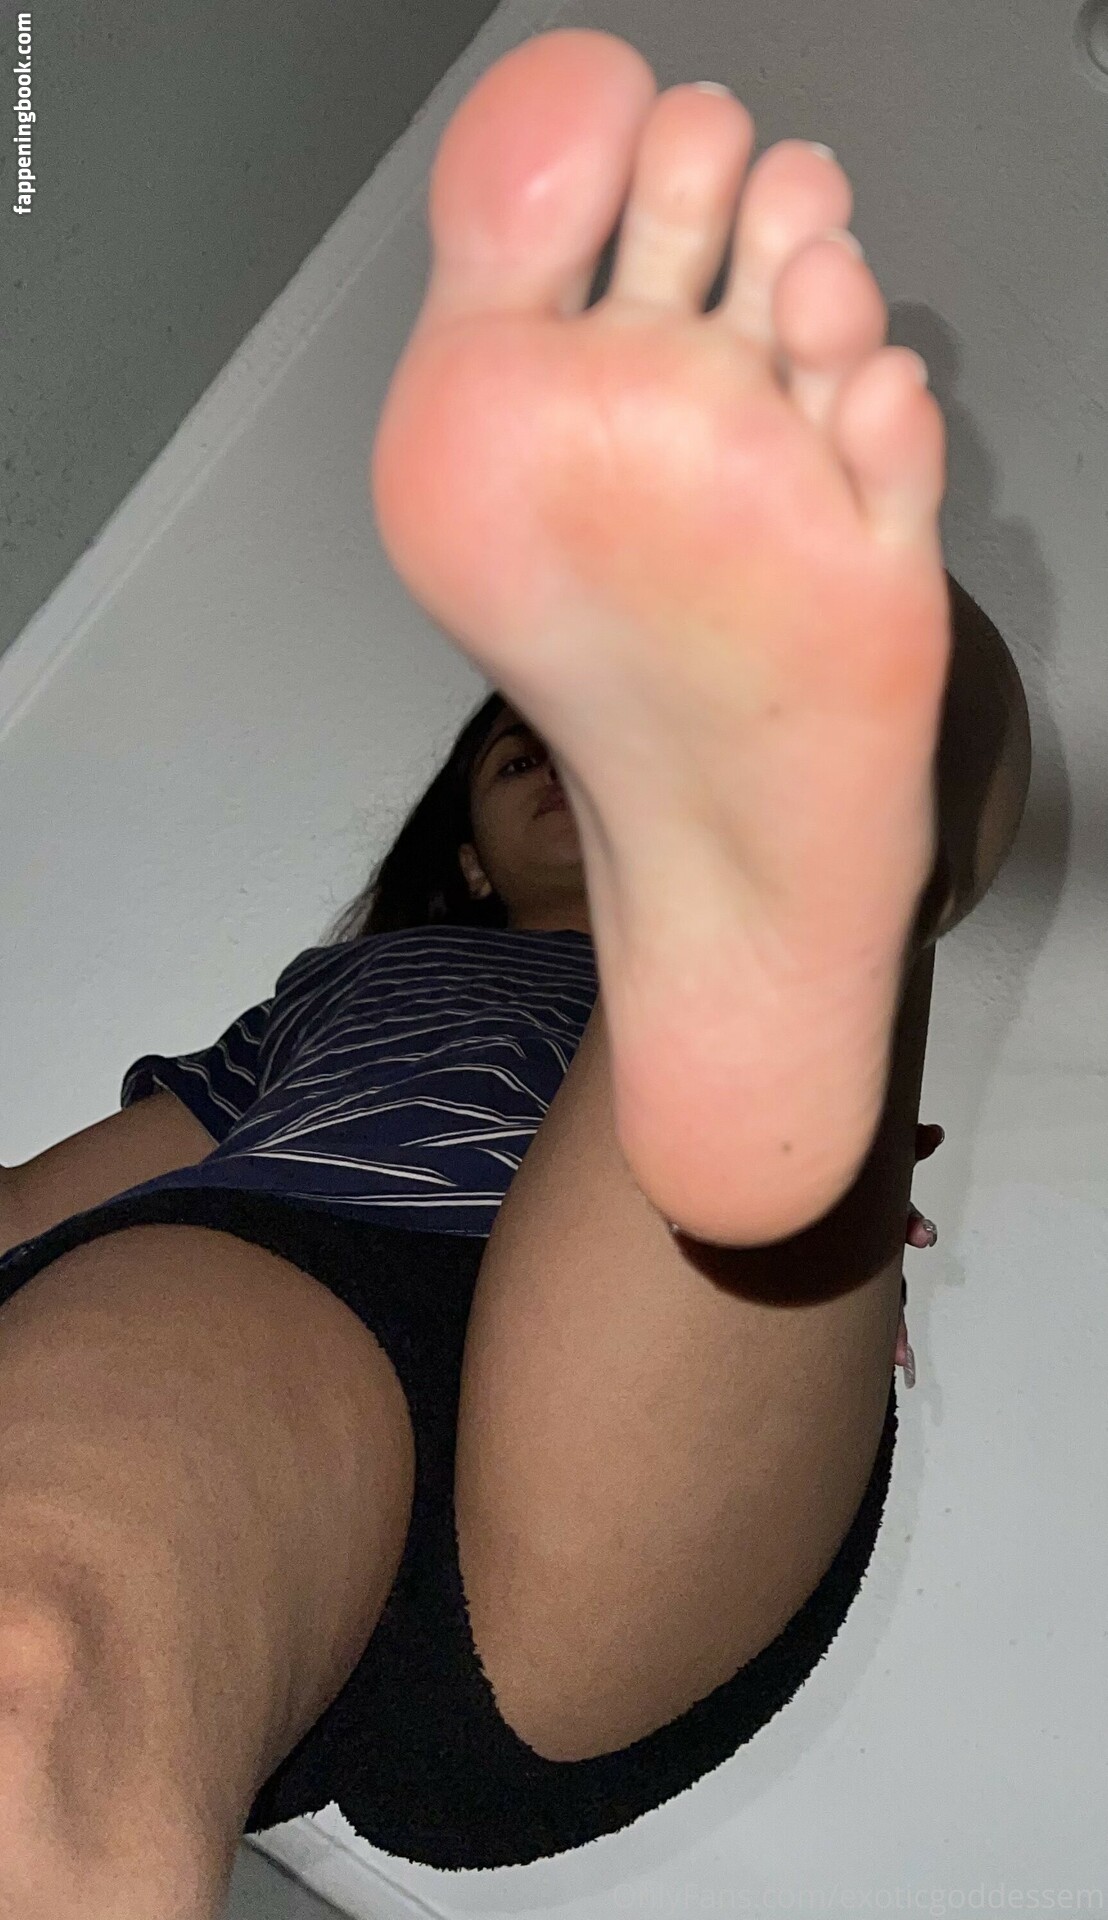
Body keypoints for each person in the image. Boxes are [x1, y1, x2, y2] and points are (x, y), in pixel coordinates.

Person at [0, 26, 1030, 1913]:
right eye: (517, 749)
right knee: (25, 1693)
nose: (541, 758)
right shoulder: (343, 995)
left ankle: (796, 791)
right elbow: (52, 1207)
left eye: (578, 731)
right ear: (466, 848)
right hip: (264, 1309)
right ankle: (780, 793)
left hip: (638, 1403)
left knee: (775, 986)